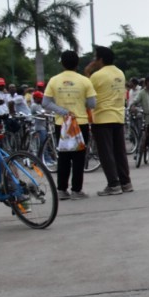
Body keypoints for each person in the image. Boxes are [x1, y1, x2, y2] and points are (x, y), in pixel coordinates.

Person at [41, 50, 96, 200]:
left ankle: (62, 190)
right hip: (80, 123)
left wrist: (64, 112)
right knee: (79, 158)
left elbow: (45, 103)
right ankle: (77, 190)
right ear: (77, 64)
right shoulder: (85, 81)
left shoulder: (54, 80)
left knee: (63, 157)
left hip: (62, 124)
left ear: (62, 63)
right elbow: (92, 103)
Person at [85, 46, 133, 195]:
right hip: (118, 116)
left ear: (100, 59)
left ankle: (113, 184)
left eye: (95, 58)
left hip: (102, 117)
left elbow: (87, 92)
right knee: (120, 152)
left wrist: (87, 72)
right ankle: (126, 182)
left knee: (106, 153)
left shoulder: (97, 76)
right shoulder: (120, 73)